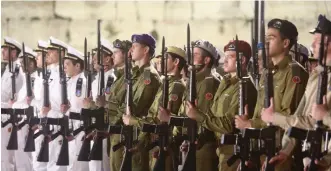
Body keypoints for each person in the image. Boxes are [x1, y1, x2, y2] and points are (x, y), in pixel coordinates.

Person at [235, 19, 309, 171]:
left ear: (285, 43)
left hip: (282, 152)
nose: (266, 42)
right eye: (266, 37)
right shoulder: (267, 72)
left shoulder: (295, 72)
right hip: (260, 148)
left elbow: (289, 115)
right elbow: (259, 111)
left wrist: (251, 124)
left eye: (271, 38)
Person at [261, 14, 331, 171]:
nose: (313, 44)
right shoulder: (317, 75)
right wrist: (285, 151)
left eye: (318, 41)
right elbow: (301, 116)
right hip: (311, 158)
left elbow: (314, 120)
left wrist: (275, 118)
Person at [1, 37, 24, 171]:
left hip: (6, 116)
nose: (2, 52)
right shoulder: (8, 70)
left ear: (14, 53)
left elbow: (8, 96)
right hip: (3, 114)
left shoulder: (16, 71)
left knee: (6, 156)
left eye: (5, 49)